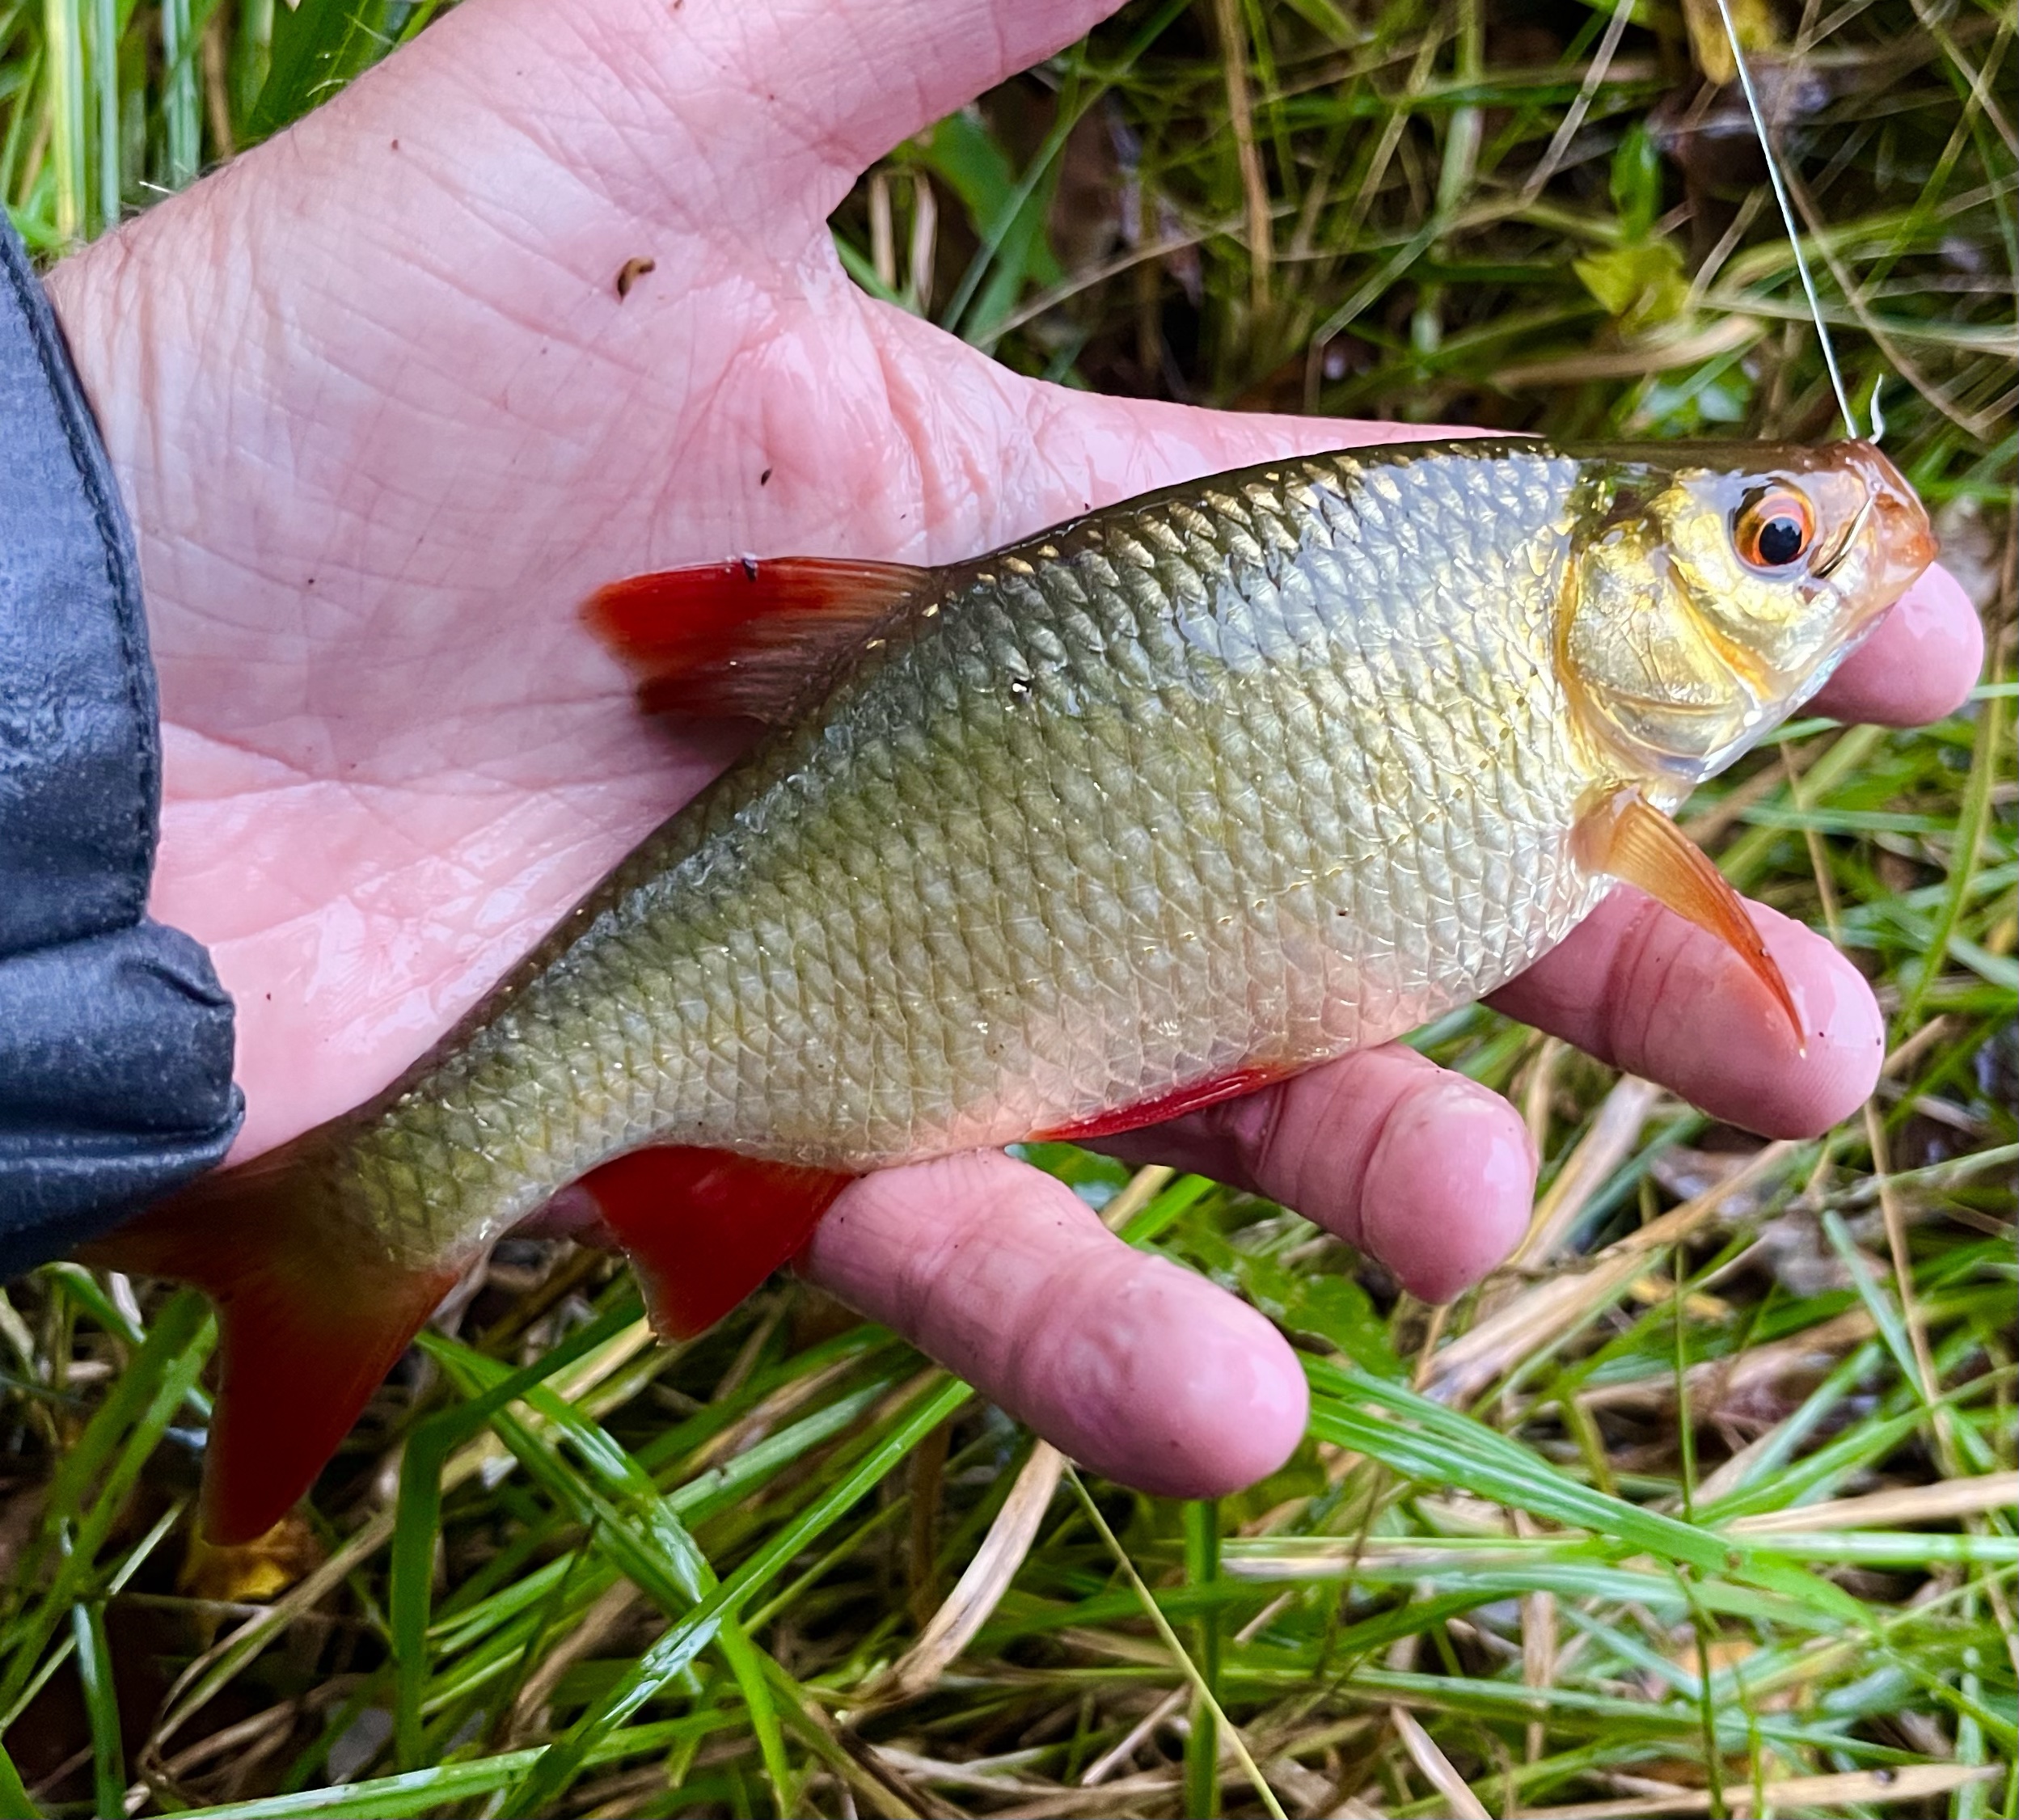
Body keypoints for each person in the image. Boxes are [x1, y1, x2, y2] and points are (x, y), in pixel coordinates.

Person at [5, 0, 1982, 1497]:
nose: (1826, 553)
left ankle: (332, 1240)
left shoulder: (1541, 683)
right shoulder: (1547, 692)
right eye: (1772, 540)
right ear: (1615, 581)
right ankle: (341, 1236)